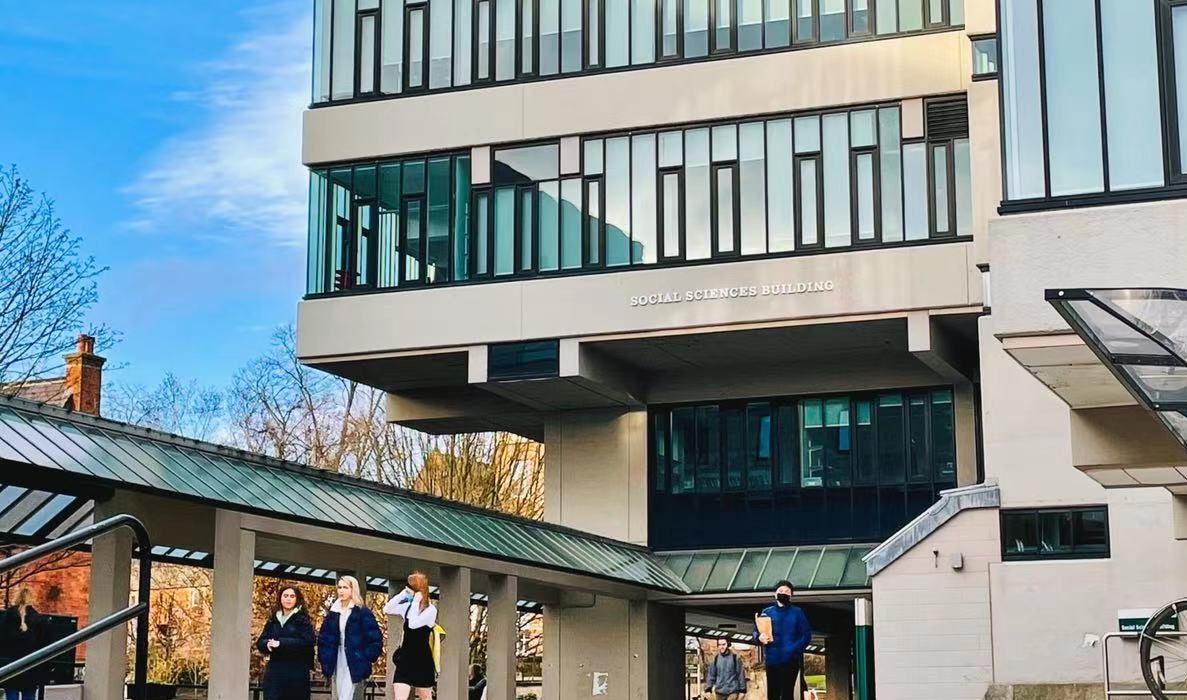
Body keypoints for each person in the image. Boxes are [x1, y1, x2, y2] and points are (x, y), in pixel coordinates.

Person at [317, 576, 383, 700]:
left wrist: (365, 657)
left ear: (353, 589)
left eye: (345, 587)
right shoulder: (333, 612)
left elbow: (375, 638)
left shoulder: (362, 612)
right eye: (339, 587)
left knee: (345, 695)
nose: (341, 591)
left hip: (355, 657)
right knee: (340, 692)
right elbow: (324, 638)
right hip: (337, 656)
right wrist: (324, 657)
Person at [384, 571, 439, 700]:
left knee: (425, 696)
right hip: (405, 658)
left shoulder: (431, 610)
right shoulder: (408, 607)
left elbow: (413, 624)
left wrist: (416, 602)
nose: (407, 588)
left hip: (422, 659)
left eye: (410, 587)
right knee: (400, 696)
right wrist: (403, 594)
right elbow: (387, 609)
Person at [256, 586, 316, 700]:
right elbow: (260, 642)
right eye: (285, 596)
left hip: (296, 672)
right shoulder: (273, 620)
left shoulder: (302, 620)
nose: (288, 599)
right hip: (275, 672)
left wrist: (281, 643)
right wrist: (267, 644)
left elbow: (308, 642)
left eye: (292, 596)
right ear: (280, 598)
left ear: (297, 599)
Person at [755, 581, 811, 700]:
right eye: (780, 591)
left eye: (786, 591)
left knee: (787, 694)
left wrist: (793, 649)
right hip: (772, 660)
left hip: (790, 661)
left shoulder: (797, 612)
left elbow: (806, 635)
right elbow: (757, 632)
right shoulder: (767, 612)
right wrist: (759, 637)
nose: (783, 593)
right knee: (772, 694)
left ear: (791, 595)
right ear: (775, 594)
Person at [0, 589, 45, 700]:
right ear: (31, 600)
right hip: (31, 667)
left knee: (11, 694)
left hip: (11, 666)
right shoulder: (39, 619)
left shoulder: (7, 617)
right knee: (29, 695)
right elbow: (44, 644)